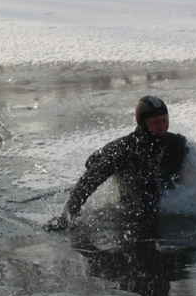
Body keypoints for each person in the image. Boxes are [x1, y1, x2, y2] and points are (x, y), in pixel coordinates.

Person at [45, 95, 188, 233]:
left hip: (165, 211)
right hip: (131, 217)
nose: (162, 127)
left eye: (164, 121)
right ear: (143, 123)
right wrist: (67, 216)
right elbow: (88, 180)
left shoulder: (176, 143)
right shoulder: (124, 150)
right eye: (156, 122)